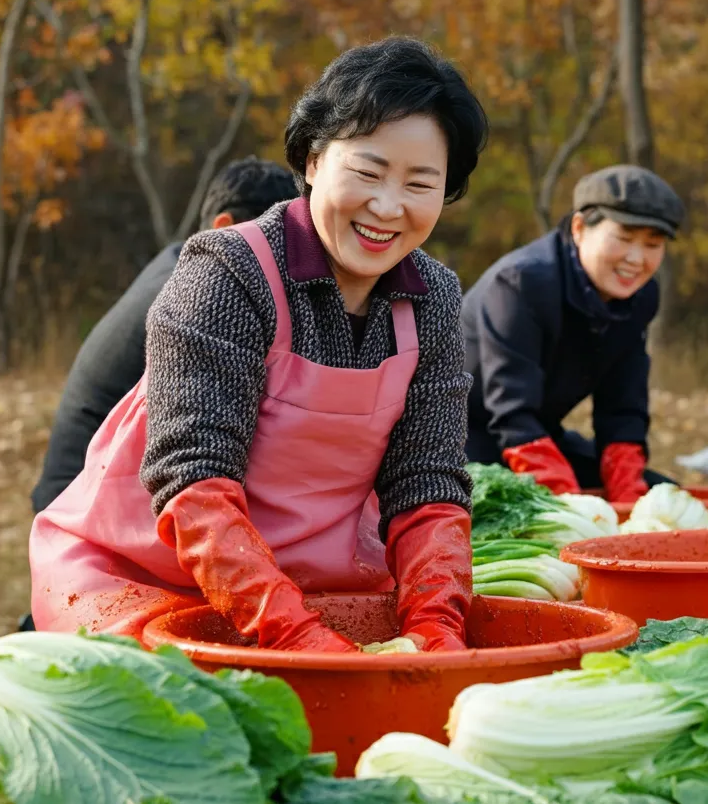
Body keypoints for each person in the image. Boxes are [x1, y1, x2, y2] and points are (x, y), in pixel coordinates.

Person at [30, 36, 489, 653]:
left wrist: (437, 625)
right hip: (136, 582)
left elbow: (426, 484)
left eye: (420, 183)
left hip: (314, 589)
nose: (387, 205)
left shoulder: (431, 296)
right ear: (311, 160)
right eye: (367, 171)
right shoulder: (227, 273)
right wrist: (293, 636)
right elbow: (192, 480)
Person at [30, 156, 298, 515]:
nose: (286, 261)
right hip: (82, 506)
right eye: (276, 242)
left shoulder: (178, 262)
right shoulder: (196, 295)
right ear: (223, 227)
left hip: (90, 487)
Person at [462, 165, 684, 503]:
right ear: (579, 228)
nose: (636, 259)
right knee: (511, 512)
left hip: (542, 435)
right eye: (624, 239)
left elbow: (623, 405)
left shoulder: (640, 297)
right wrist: (569, 508)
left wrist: (628, 498)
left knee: (660, 494)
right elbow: (511, 412)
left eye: (653, 245)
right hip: (456, 438)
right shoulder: (521, 284)